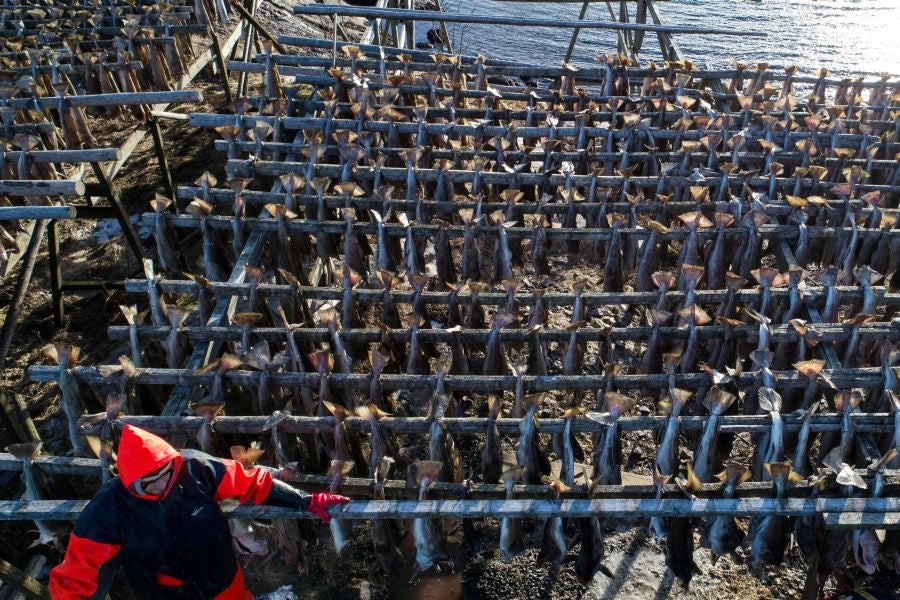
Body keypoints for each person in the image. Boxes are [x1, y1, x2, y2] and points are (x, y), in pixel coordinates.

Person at [49, 425, 349, 599]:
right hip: (167, 593)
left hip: (223, 579)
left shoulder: (195, 468)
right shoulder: (108, 506)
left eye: (166, 472)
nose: (162, 484)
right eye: (149, 483)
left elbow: (251, 481)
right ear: (129, 480)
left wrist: (305, 501)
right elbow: (76, 570)